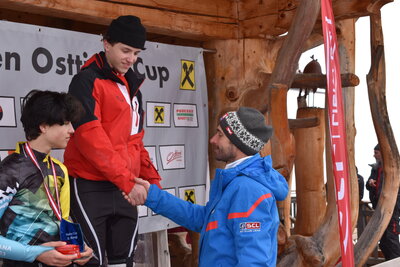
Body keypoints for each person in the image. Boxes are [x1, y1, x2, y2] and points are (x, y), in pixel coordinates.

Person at [128, 107, 289, 266]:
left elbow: (253, 262)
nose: (213, 140)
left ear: (238, 142)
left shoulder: (248, 189)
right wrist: (152, 195)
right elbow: (203, 219)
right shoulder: (237, 182)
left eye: (220, 135)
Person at [64, 15, 161, 266]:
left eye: (136, 52)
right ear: (106, 43)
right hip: (91, 185)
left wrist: (153, 181)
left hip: (124, 188)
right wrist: (128, 182)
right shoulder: (85, 81)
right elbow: (90, 139)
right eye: (125, 50)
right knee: (88, 260)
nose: (131, 58)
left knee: (124, 260)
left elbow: (135, 141)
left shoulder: (133, 86)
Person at [0, 90, 93, 266]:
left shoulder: (60, 170)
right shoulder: (10, 170)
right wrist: (35, 253)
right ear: (43, 126)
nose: (72, 130)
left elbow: (62, 220)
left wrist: (77, 247)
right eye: (65, 123)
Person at [366, 144, 400, 260]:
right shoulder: (375, 168)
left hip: (392, 209)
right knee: (383, 241)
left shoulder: (395, 168)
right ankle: (390, 262)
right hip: (379, 208)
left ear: (383, 153)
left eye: (376, 153)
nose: (374, 155)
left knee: (391, 239)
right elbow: (367, 185)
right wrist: (370, 183)